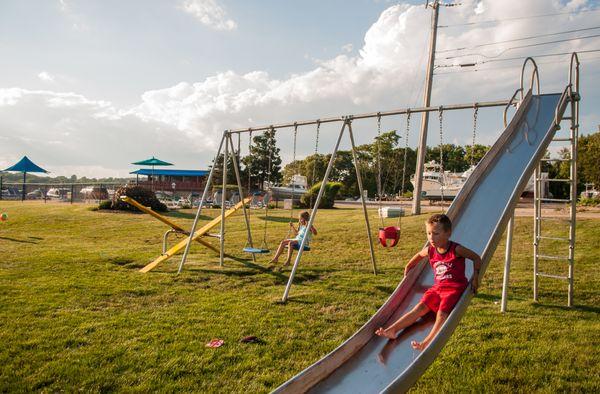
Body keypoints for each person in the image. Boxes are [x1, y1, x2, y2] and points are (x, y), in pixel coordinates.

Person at [375, 213, 481, 350]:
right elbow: (419, 255)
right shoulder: (430, 250)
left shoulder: (456, 250)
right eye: (429, 233)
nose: (431, 237)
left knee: (442, 314)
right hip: (437, 288)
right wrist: (408, 265)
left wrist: (475, 277)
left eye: (436, 234)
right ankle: (392, 330)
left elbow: (476, 258)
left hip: (454, 289)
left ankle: (427, 342)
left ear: (448, 233)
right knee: (419, 308)